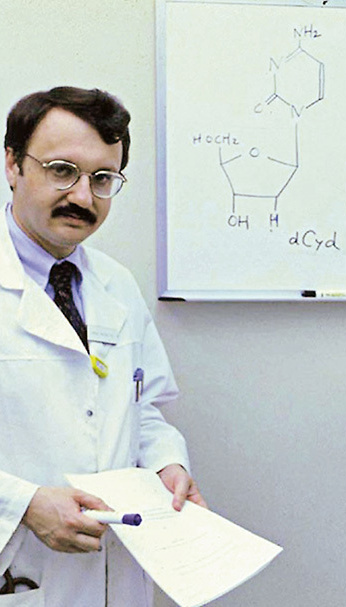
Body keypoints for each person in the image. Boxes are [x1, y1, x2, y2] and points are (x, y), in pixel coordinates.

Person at [0, 86, 206, 606]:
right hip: (20, 571)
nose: (83, 198)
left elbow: (144, 409)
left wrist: (167, 465)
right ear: (13, 164)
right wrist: (22, 504)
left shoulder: (116, 284)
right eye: (62, 170)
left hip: (116, 572)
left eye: (102, 178)